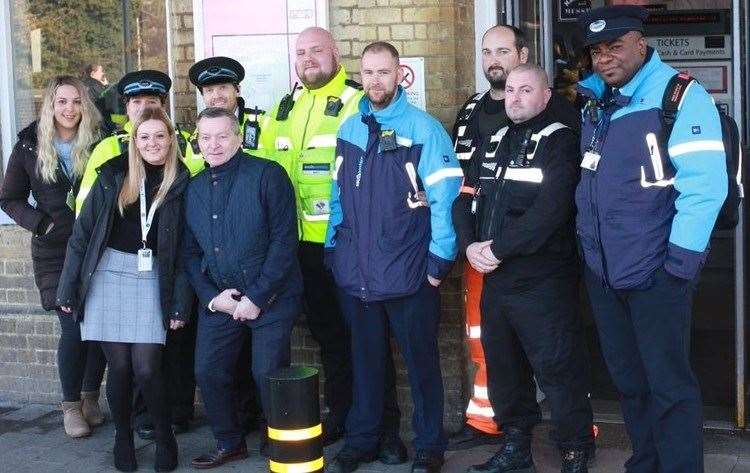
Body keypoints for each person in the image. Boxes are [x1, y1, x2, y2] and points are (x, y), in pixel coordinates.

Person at [575, 6, 727, 473]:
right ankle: (646, 463)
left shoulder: (680, 96)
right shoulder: (596, 102)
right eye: (597, 51)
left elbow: (705, 187)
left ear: (640, 43)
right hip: (605, 274)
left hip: (656, 272)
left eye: (615, 47)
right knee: (628, 382)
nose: (605, 59)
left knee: (669, 385)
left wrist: (678, 266)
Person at [256, 26, 404, 459]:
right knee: (330, 340)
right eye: (300, 52)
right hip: (297, 248)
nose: (308, 59)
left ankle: (387, 430)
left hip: (346, 245)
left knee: (368, 338)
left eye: (316, 50)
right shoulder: (283, 107)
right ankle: (346, 419)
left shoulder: (360, 101)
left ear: (335, 53)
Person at [325, 41, 462, 473]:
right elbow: (337, 193)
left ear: (400, 73)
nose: (376, 81)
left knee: (422, 365)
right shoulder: (349, 128)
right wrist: (334, 246)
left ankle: (429, 445)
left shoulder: (423, 129)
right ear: (360, 75)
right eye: (368, 72)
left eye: (384, 72)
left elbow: (446, 198)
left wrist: (439, 263)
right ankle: (364, 439)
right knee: (366, 365)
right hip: (359, 273)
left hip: (410, 272)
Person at [453, 64, 594, 473]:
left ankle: (574, 452)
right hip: (497, 279)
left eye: (525, 90)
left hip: (543, 281)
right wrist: (469, 246)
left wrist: (497, 247)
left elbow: (551, 210)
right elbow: (463, 196)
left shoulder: (561, 141)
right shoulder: (493, 139)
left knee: (558, 370)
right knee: (505, 370)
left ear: (545, 96)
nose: (514, 97)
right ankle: (517, 448)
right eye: (510, 90)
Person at [56, 107, 192, 472]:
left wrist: (180, 303)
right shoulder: (113, 175)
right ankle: (123, 436)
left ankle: (164, 436)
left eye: (160, 136)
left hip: (154, 277)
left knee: (147, 367)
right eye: (144, 137)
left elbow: (185, 253)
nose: (152, 143)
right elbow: (82, 236)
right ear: (134, 142)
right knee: (118, 366)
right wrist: (68, 288)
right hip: (108, 274)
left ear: (171, 140)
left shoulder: (182, 180)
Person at [183, 107, 302, 469]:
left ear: (238, 137)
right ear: (197, 142)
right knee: (208, 370)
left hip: (272, 296)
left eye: (222, 136)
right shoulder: (195, 188)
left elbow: (285, 241)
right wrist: (210, 298)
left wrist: (258, 296)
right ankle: (229, 442)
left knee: (266, 372)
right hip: (221, 297)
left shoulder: (268, 175)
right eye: (206, 138)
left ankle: (278, 438)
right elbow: (189, 253)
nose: (214, 145)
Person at [0, 76, 107, 439]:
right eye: (62, 101)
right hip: (55, 251)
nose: (70, 109)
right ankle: (70, 406)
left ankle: (91, 398)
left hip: (98, 245)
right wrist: (41, 224)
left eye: (76, 102)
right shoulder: (29, 146)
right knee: (73, 327)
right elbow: (9, 198)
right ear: (50, 105)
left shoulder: (99, 141)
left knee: (99, 328)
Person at [187, 56, 264, 435]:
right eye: (209, 90)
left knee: (261, 363)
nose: (216, 95)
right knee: (216, 363)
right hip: (217, 271)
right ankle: (233, 432)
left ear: (236, 91)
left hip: (263, 262)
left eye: (223, 88)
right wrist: (209, 294)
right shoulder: (195, 143)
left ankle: (262, 425)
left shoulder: (266, 124)